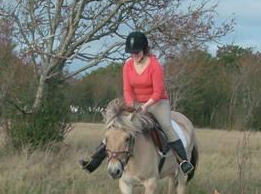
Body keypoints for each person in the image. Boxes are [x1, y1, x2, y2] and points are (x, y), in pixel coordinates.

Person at [80, 31, 195, 175]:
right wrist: (131, 105)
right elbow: (127, 89)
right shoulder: (127, 66)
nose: (134, 55)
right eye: (131, 53)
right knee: (117, 127)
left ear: (144, 49)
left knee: (166, 126)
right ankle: (94, 161)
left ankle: (183, 161)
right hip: (135, 103)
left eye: (137, 52)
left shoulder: (155, 66)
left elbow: (158, 92)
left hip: (157, 103)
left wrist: (146, 106)